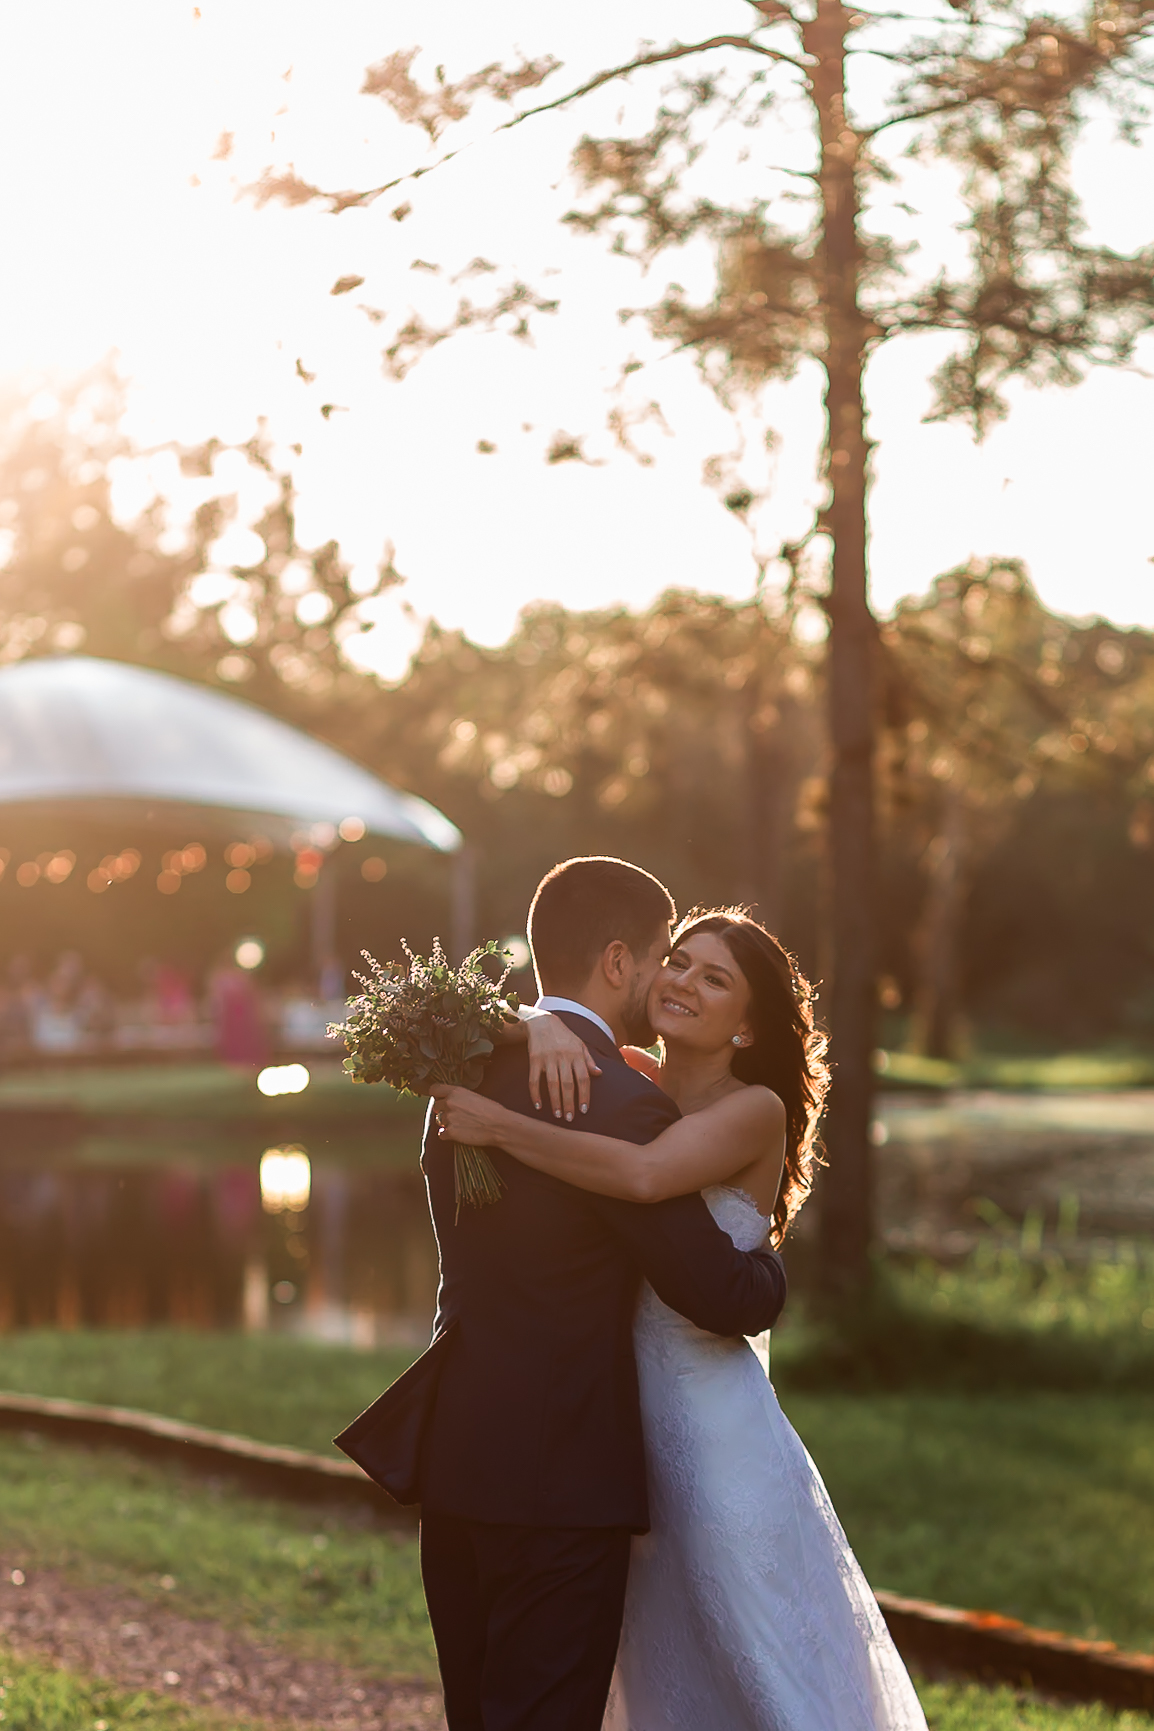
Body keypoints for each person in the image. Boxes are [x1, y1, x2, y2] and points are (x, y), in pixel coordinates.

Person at [432, 907, 929, 1731]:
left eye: (715, 978)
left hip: (712, 1426)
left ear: (748, 1025)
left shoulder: (754, 1109)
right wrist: (533, 1021)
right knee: (655, 1661)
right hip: (618, 1422)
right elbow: (539, 1024)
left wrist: (498, 1127)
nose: (684, 982)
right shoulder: (625, 1077)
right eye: (682, 961)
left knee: (755, 1653)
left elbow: (640, 1175)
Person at [334, 859, 788, 1731]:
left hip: (458, 1459)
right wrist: (766, 1261)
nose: (668, 981)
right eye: (664, 958)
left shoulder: (458, 1078)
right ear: (617, 962)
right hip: (560, 1481)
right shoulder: (620, 1101)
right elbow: (719, 1294)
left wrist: (535, 1018)